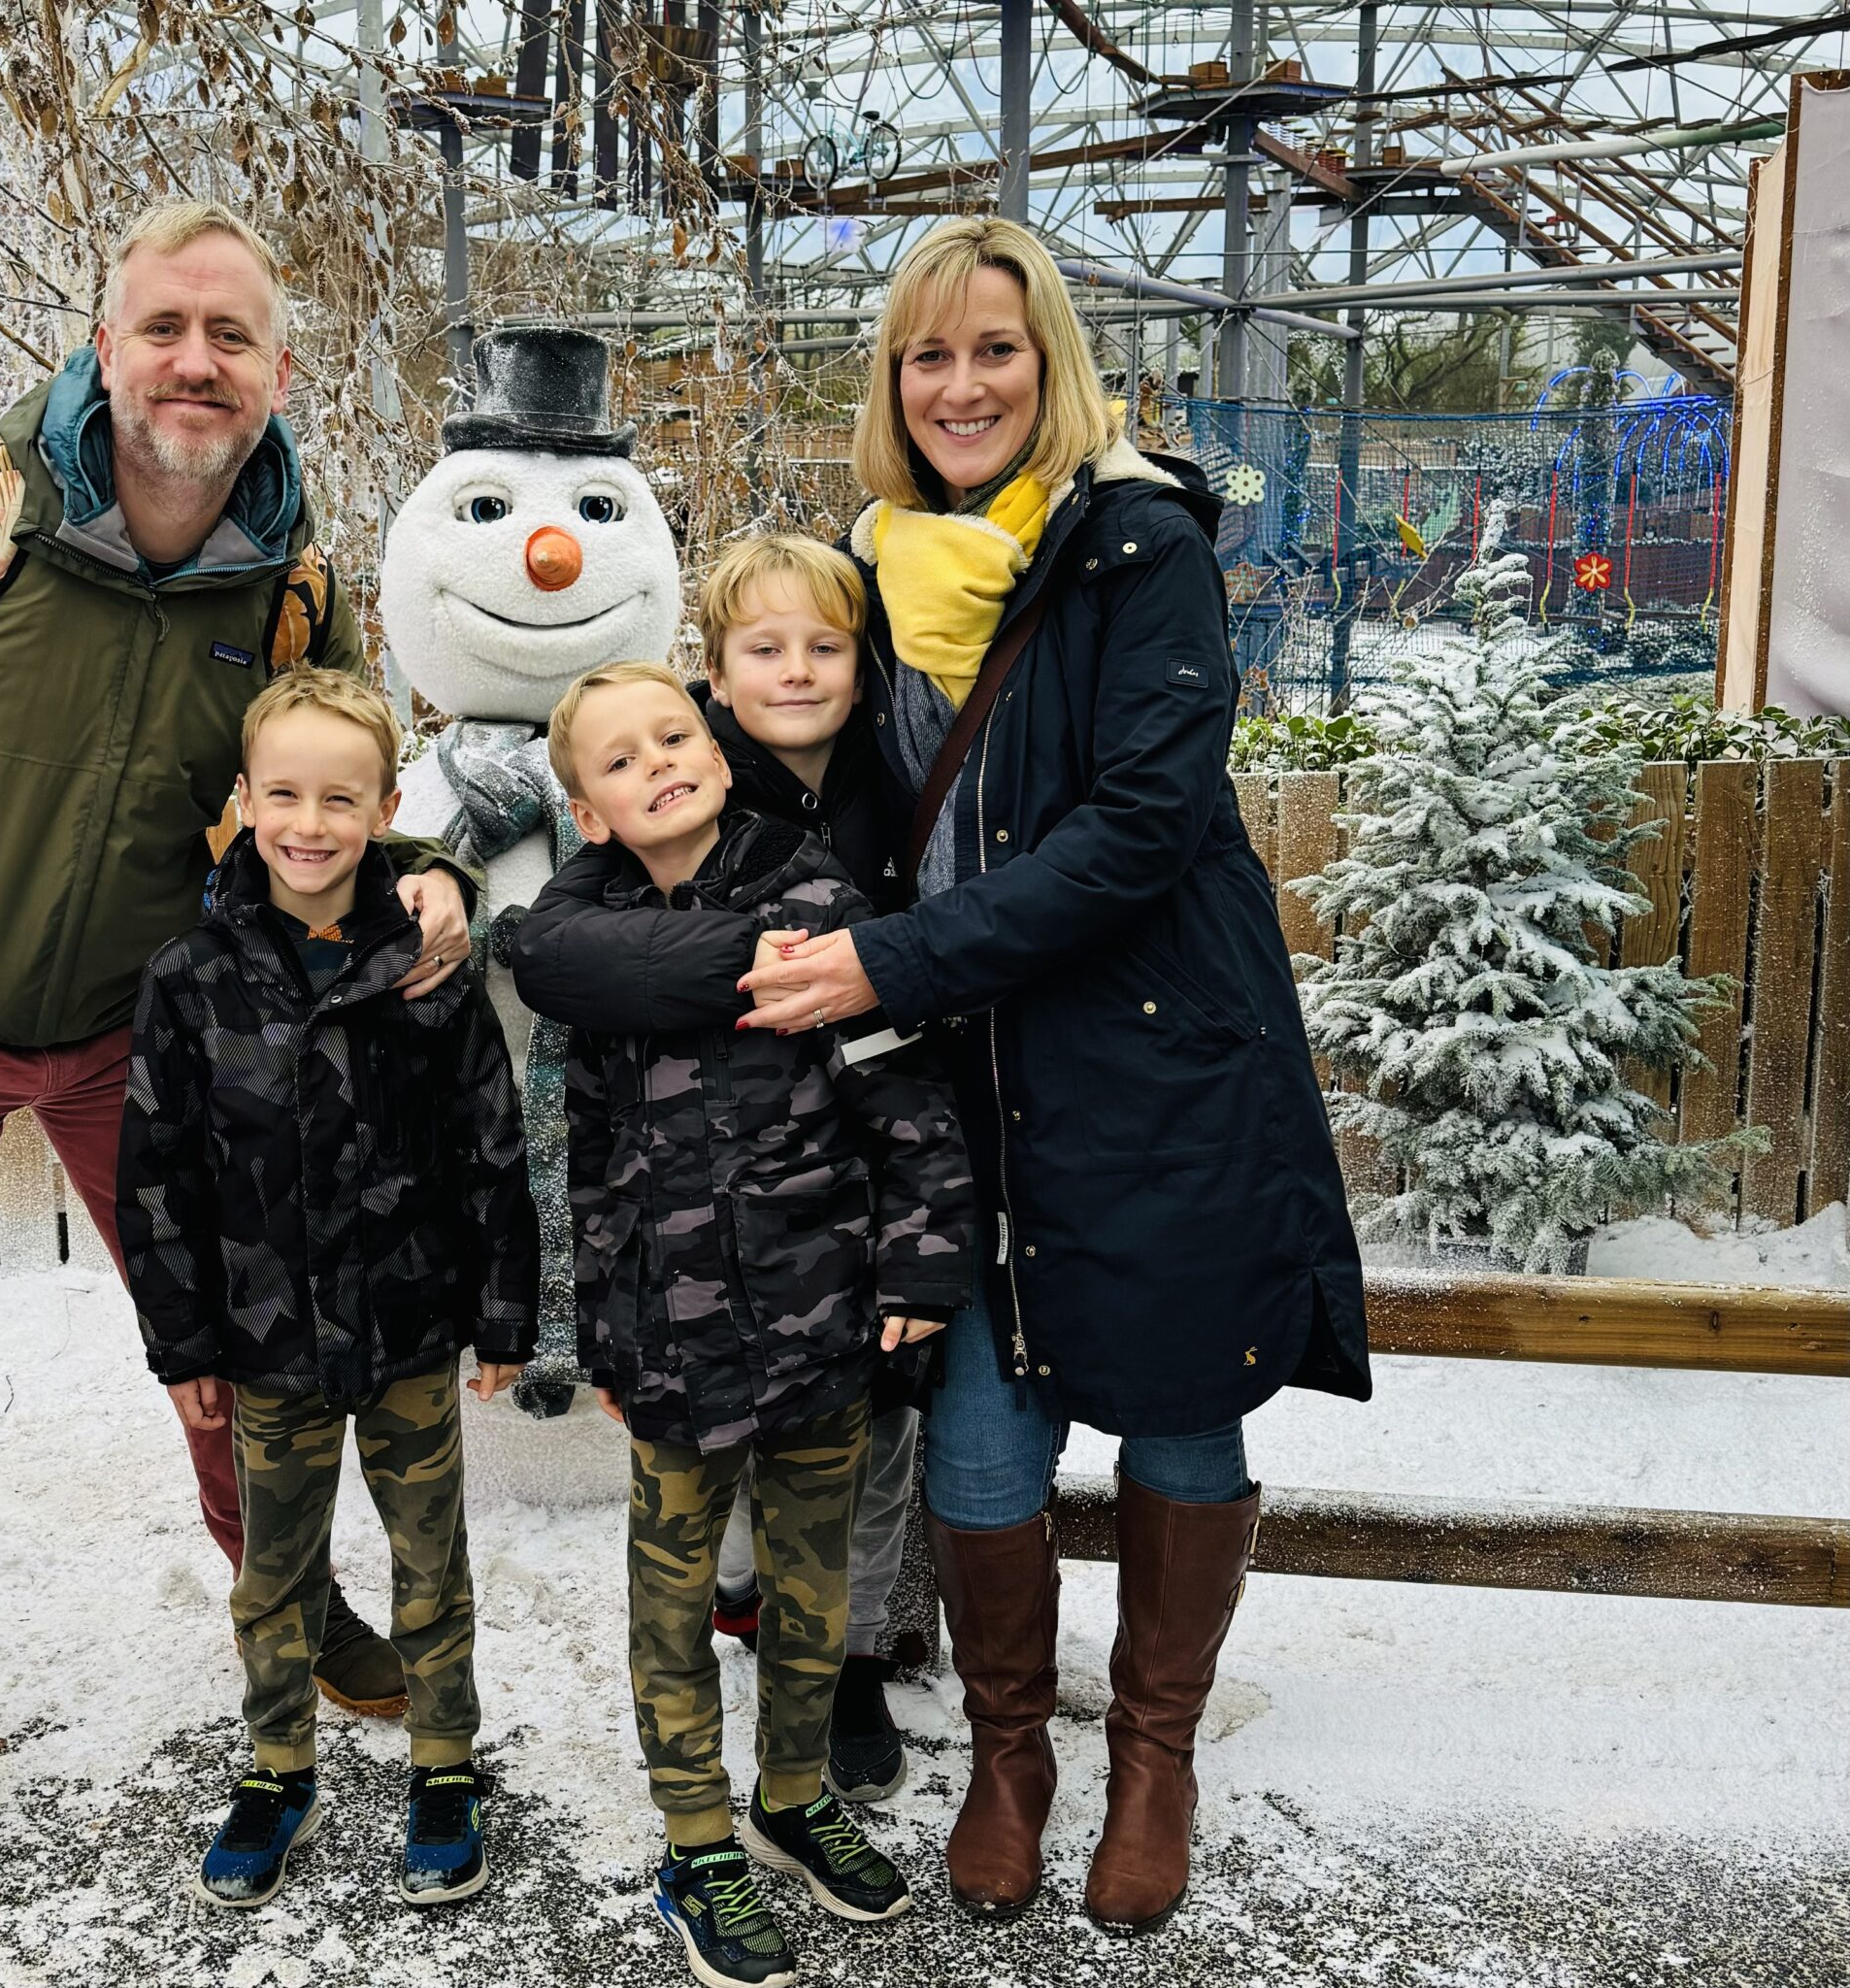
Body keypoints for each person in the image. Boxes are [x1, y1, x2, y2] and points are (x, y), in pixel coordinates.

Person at [0, 200, 476, 1902]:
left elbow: (334, 776)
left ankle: (292, 1601)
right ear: (102, 345)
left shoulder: (289, 583)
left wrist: (421, 871)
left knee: (239, 1340)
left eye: (231, 337)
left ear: (280, 372)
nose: (195, 363)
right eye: (165, 328)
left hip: (129, 1033)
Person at [729, 217, 1374, 1930]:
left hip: (1153, 1056)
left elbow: (1144, 828)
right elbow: (776, 758)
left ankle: (1152, 1752)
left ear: (1052, 363)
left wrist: (889, 961)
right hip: (962, 1073)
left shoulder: (1136, 546)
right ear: (892, 379)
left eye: (995, 350)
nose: (961, 385)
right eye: (926, 355)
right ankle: (1012, 1749)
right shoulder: (871, 568)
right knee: (986, 1427)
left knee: (1178, 1388)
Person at [544, 662, 974, 1988]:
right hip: (670, 1349)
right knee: (672, 1600)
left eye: (675, 734)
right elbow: (592, 1150)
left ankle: (791, 1799)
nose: (660, 762)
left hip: (821, 1326)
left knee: (810, 1591)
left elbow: (904, 1099)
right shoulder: (592, 943)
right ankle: (695, 1841)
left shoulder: (817, 902)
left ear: (718, 750)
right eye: (621, 760)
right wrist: (600, 1329)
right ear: (590, 810)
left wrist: (918, 1273)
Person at [116, 668, 538, 1910]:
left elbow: (490, 1143)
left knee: (430, 1557)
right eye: (284, 792)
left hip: (407, 1328)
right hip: (263, 1338)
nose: (310, 822)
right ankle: (274, 1764)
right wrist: (183, 1337)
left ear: (386, 805)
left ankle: (446, 1761)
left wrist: (505, 1308)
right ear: (242, 801)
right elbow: (156, 1175)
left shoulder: (427, 967)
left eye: (340, 797)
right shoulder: (189, 979)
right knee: (276, 1565)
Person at [512, 534, 925, 1802]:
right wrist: (783, 953)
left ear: (865, 664)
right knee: (714, 1498)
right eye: (763, 649)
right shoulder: (683, 769)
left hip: (848, 1217)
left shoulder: (906, 769)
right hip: (697, 1273)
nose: (795, 671)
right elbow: (558, 946)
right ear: (718, 675)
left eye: (824, 646)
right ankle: (717, 1738)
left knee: (877, 1441)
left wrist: (862, 958)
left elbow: (909, 1045)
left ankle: (848, 1668)